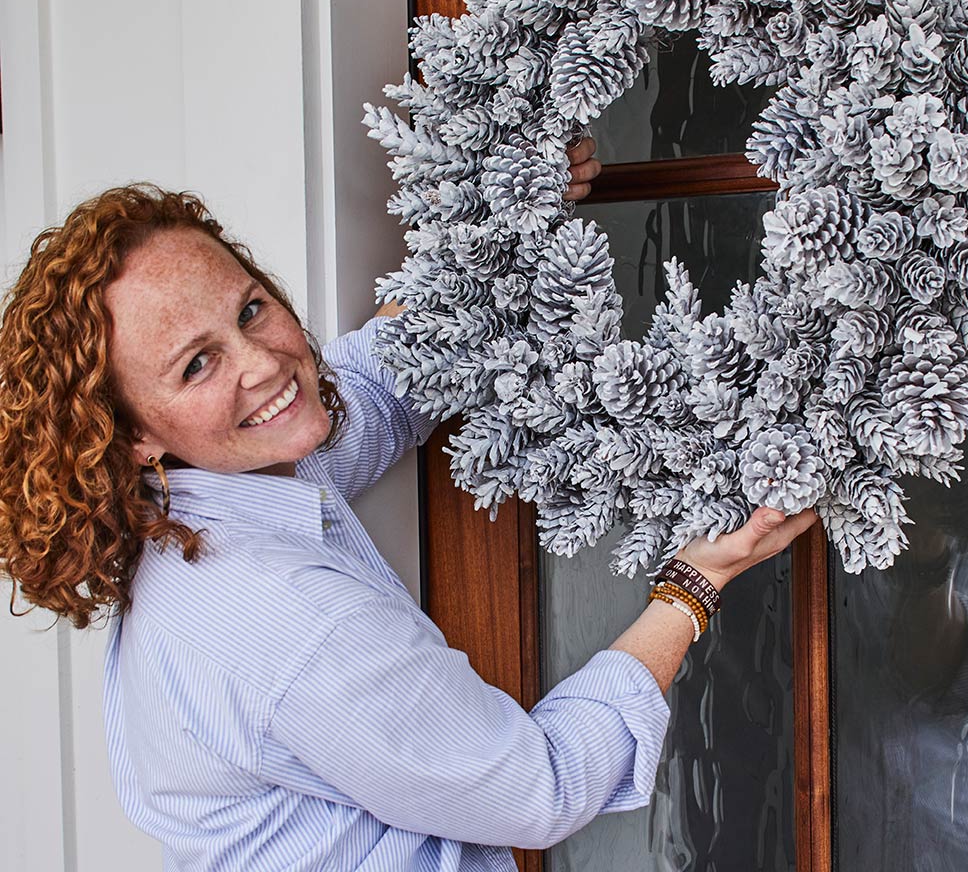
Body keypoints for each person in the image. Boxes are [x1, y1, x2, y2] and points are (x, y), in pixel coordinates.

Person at [0, 141, 814, 871]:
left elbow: (381, 389)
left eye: (250, 308)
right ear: (132, 434)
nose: (265, 362)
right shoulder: (280, 617)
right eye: (197, 365)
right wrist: (694, 586)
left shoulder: (214, 489)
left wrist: (495, 219)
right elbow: (541, 786)